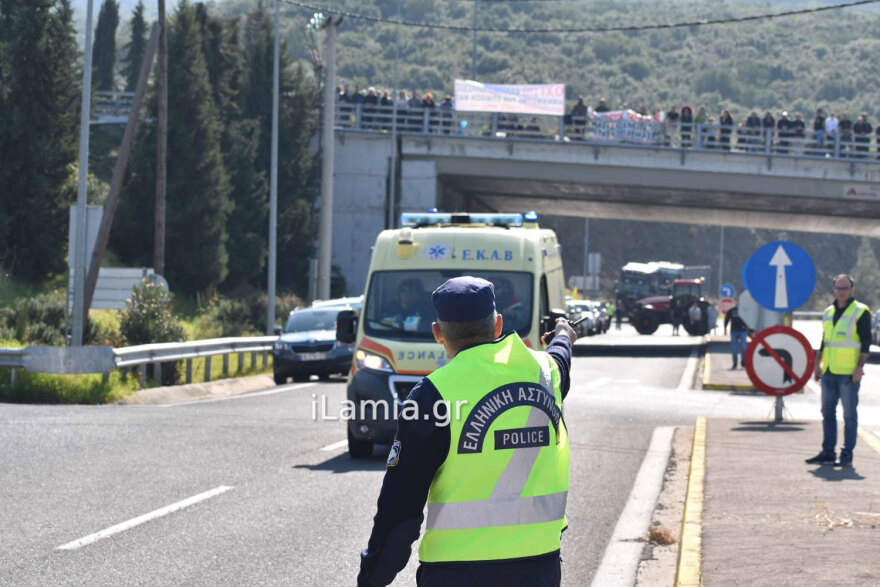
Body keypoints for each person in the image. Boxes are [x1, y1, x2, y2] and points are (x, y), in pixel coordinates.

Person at [358, 277, 576, 587]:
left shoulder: (432, 396)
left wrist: (373, 577)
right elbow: (561, 357)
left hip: (456, 572)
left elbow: (400, 506)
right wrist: (564, 333)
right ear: (498, 325)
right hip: (539, 567)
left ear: (438, 333)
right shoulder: (545, 373)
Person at [806, 274, 871, 468]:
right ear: (834, 289)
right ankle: (828, 452)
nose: (841, 291)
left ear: (852, 290)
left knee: (849, 415)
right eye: (838, 288)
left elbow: (866, 342)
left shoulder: (860, 311)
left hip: (849, 373)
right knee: (827, 413)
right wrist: (817, 364)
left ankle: (847, 453)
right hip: (829, 371)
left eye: (845, 288)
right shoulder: (828, 311)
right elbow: (825, 340)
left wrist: (859, 367)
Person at [724, 305, 749, 369]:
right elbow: (727, 319)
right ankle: (735, 364)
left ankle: (743, 362)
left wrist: (751, 330)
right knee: (734, 348)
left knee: (743, 347)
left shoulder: (744, 309)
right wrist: (725, 329)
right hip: (734, 331)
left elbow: (749, 319)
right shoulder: (731, 310)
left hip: (743, 330)